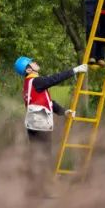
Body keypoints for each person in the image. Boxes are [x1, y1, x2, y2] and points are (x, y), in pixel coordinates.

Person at [15, 55, 86, 193]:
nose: (35, 62)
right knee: (44, 156)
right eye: (32, 62)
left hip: (32, 124)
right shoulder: (37, 81)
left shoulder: (29, 84)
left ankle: (34, 188)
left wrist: (64, 112)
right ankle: (45, 188)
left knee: (37, 155)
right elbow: (55, 78)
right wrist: (74, 70)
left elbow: (48, 102)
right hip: (40, 123)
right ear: (28, 69)